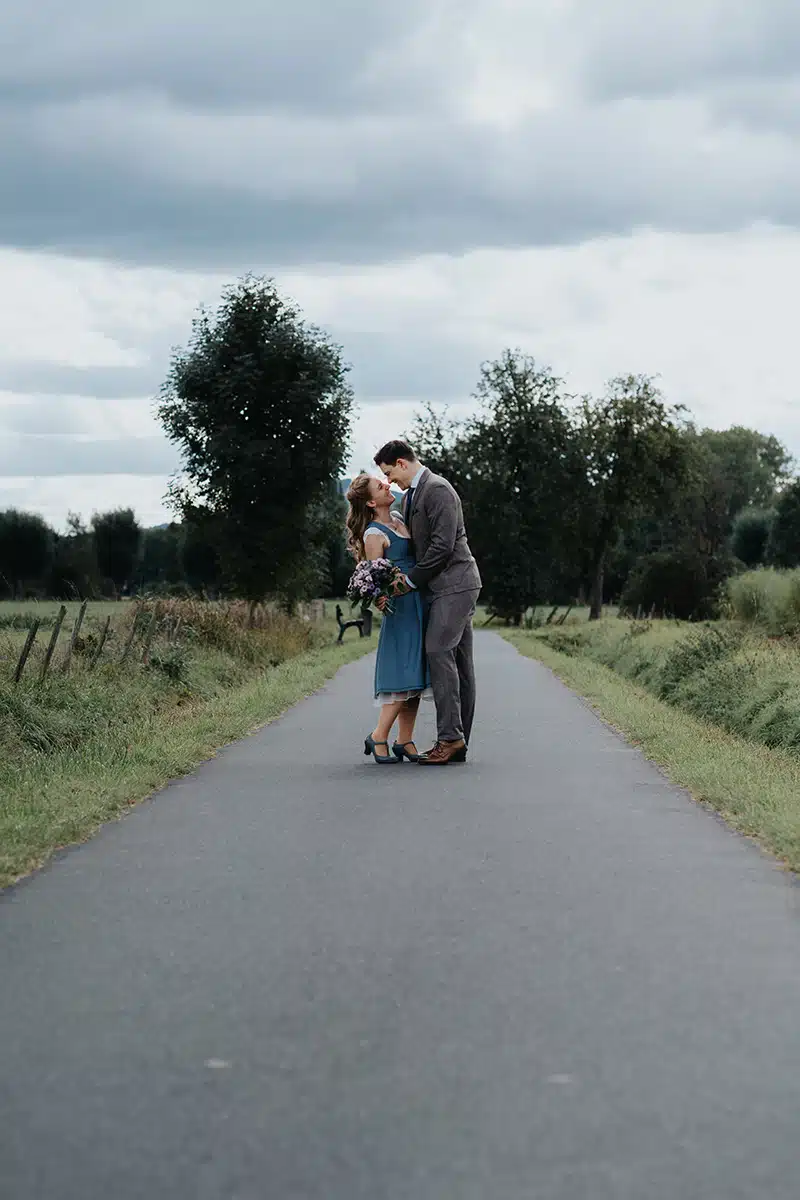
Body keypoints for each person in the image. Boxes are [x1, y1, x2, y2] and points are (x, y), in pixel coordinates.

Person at [374, 439, 481, 766]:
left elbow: (442, 548)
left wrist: (408, 581)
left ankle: (449, 738)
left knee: (437, 650)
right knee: (460, 663)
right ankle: (457, 741)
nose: (390, 481)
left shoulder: (438, 490)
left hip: (456, 584)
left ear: (403, 463)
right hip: (440, 588)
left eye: (390, 472)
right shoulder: (410, 498)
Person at [345, 473, 431, 764]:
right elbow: (374, 575)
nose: (386, 485)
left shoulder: (397, 517)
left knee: (417, 674)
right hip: (401, 607)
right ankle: (378, 735)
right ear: (371, 501)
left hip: (418, 601)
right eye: (379, 486)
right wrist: (381, 599)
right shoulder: (373, 535)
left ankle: (404, 740)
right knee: (404, 672)